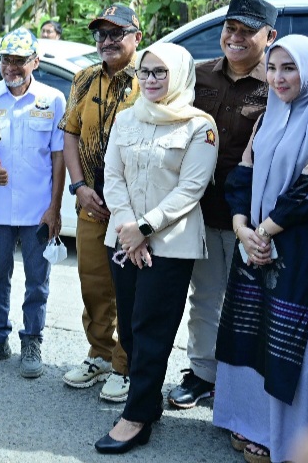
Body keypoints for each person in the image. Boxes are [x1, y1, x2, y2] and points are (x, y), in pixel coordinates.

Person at [214, 35, 308, 463]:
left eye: (289, 68)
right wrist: (242, 227)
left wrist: (264, 233)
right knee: (249, 332)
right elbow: (242, 177)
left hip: (300, 249)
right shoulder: (267, 117)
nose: (277, 78)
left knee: (287, 339)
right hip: (255, 241)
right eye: (273, 68)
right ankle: (249, 420)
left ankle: (287, 437)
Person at [94, 43, 218, 454]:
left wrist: (145, 227)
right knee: (129, 327)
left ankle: (137, 417)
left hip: (171, 244)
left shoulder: (200, 126)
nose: (150, 79)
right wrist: (130, 227)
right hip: (125, 239)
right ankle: (146, 401)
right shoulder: (128, 120)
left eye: (160, 72)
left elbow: (191, 188)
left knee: (152, 330)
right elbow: (111, 175)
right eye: (145, 72)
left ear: (180, 75)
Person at [170, 0, 278, 409]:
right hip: (198, 211)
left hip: (253, 218)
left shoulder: (278, 84)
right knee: (205, 297)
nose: (235, 37)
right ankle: (201, 374)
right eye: (230, 28)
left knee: (253, 302)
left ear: (270, 36)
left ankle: (245, 384)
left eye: (247, 31)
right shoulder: (197, 76)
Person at [0, 28, 65, 378]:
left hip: (39, 210)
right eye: (6, 60)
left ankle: (32, 340)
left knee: (37, 280)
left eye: (19, 61)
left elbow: (59, 158)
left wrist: (54, 209)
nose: (11, 67)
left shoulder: (53, 99)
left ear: (35, 62)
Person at [59, 4, 141, 403]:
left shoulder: (150, 78)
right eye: (101, 34)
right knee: (93, 285)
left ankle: (127, 366)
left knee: (129, 289)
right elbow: (70, 135)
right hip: (90, 202)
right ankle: (100, 354)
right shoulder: (84, 78)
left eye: (116, 33)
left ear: (136, 37)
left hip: (134, 207)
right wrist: (78, 186)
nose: (107, 42)